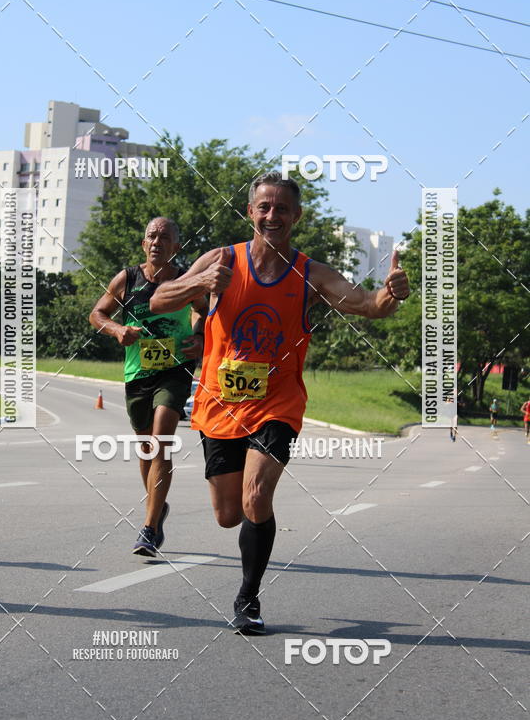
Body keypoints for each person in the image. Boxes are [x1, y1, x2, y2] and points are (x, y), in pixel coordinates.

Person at [150, 172, 410, 633]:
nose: (273, 216)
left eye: (282, 208)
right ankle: (244, 555)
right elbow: (157, 300)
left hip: (278, 404)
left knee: (256, 495)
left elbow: (367, 305)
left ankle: (248, 598)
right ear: (251, 211)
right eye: (264, 207)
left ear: (297, 216)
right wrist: (201, 281)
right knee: (228, 515)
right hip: (220, 406)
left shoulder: (311, 273)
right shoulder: (221, 260)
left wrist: (390, 294)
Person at [89, 217, 207, 557]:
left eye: (164, 237)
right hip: (137, 372)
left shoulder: (186, 280)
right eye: (151, 236)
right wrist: (115, 330)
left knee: (161, 441)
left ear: (176, 247)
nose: (156, 241)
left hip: (175, 368)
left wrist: (198, 337)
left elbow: (204, 311)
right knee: (146, 448)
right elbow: (97, 313)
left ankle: (150, 528)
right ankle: (158, 507)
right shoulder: (127, 278)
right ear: (144, 244)